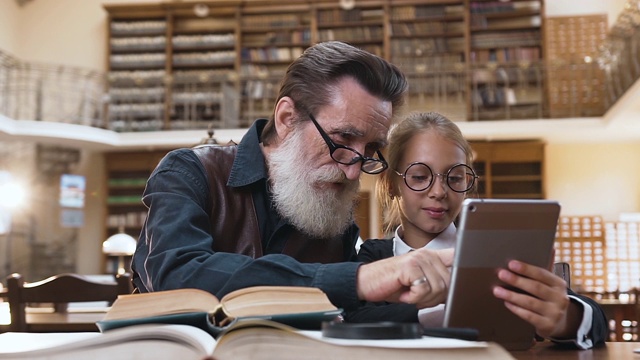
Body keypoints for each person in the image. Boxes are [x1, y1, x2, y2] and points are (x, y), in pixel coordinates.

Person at [131, 41, 454, 315]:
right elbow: (175, 273)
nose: (354, 170)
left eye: (370, 148)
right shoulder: (190, 172)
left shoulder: (332, 208)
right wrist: (354, 280)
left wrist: (469, 297)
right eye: (341, 139)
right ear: (287, 118)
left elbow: (351, 318)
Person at [349, 111, 608, 348]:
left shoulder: (495, 253)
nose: (439, 192)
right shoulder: (375, 256)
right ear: (392, 184)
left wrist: (565, 318)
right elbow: (354, 319)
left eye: (454, 178)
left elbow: (595, 320)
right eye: (419, 177)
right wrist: (444, 306)